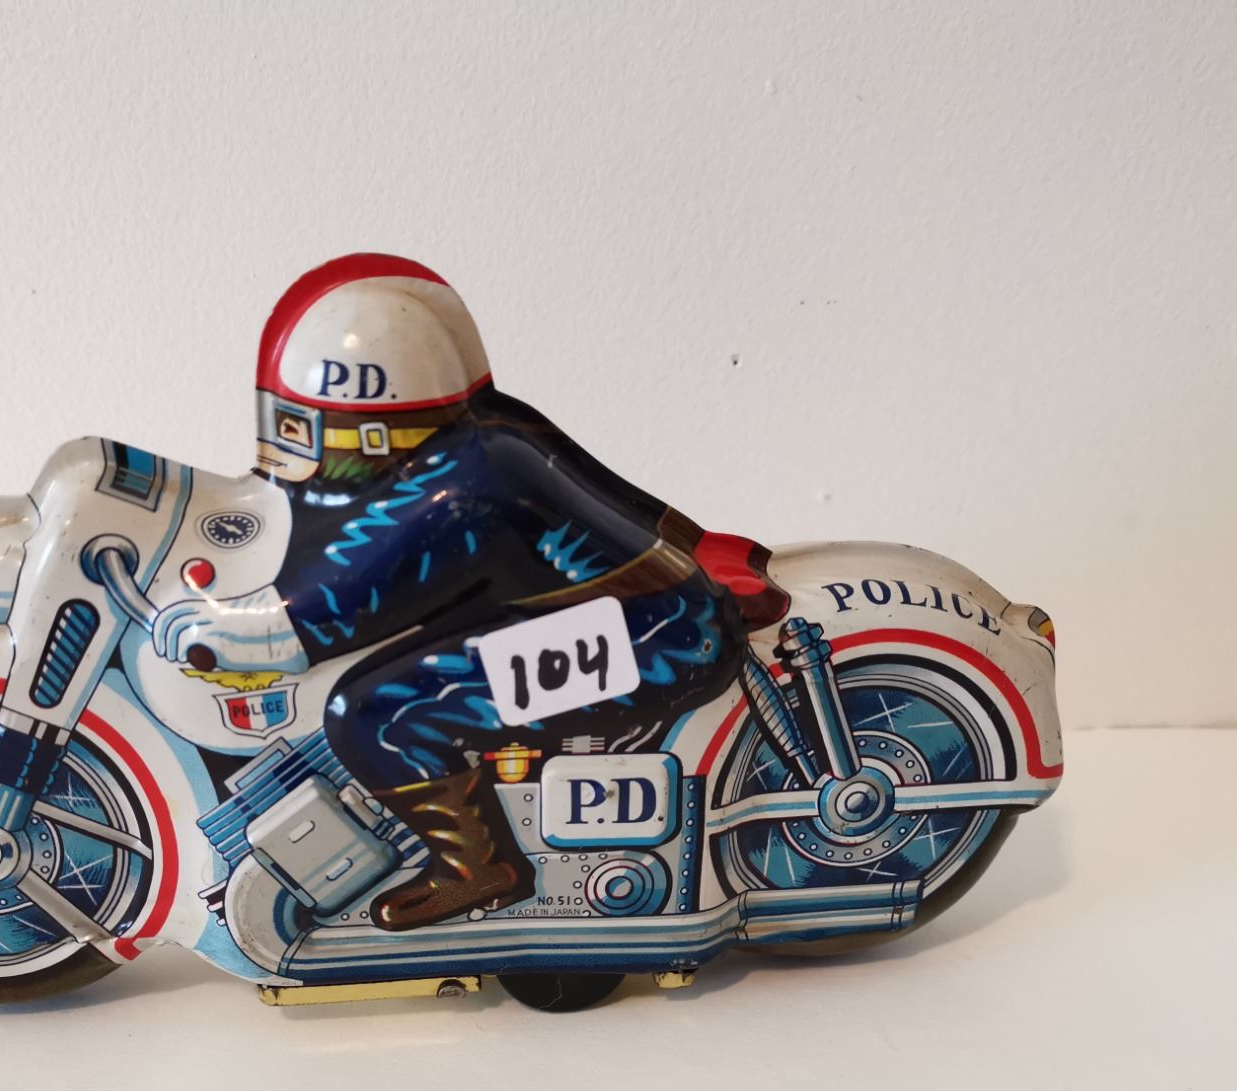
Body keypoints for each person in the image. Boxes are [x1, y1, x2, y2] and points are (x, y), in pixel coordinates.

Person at [152, 254, 787, 930]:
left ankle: (477, 868)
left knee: (375, 713)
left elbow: (353, 594)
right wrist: (699, 543)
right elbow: (607, 492)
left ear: (370, 428)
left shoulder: (453, 487)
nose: (297, 460)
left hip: (648, 639)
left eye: (304, 430)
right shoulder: (492, 437)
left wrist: (237, 632)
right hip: (648, 615)